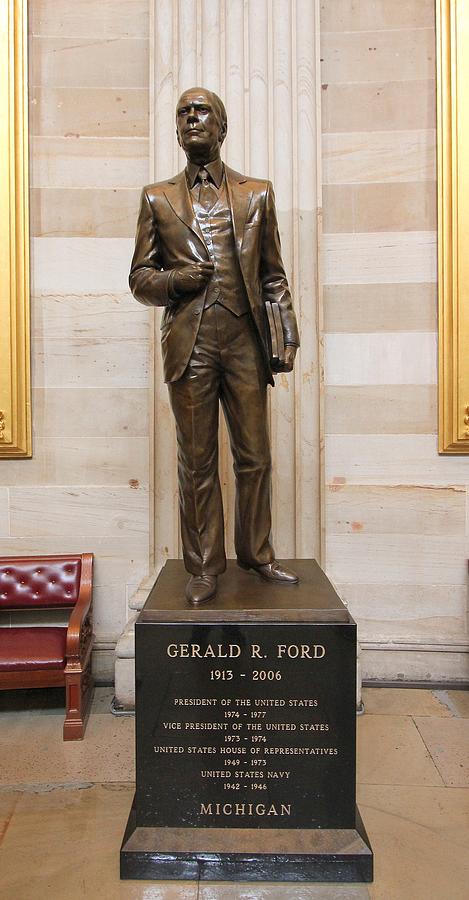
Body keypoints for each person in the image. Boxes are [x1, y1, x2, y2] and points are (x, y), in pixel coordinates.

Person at [129, 87, 300, 604]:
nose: (191, 119)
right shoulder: (158, 197)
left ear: (221, 127)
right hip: (191, 343)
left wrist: (286, 333)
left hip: (245, 340)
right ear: (177, 130)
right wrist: (176, 280)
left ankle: (257, 554)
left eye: (201, 111)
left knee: (255, 456)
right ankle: (203, 566)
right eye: (183, 113)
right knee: (197, 459)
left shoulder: (257, 194)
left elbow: (273, 276)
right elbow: (140, 279)